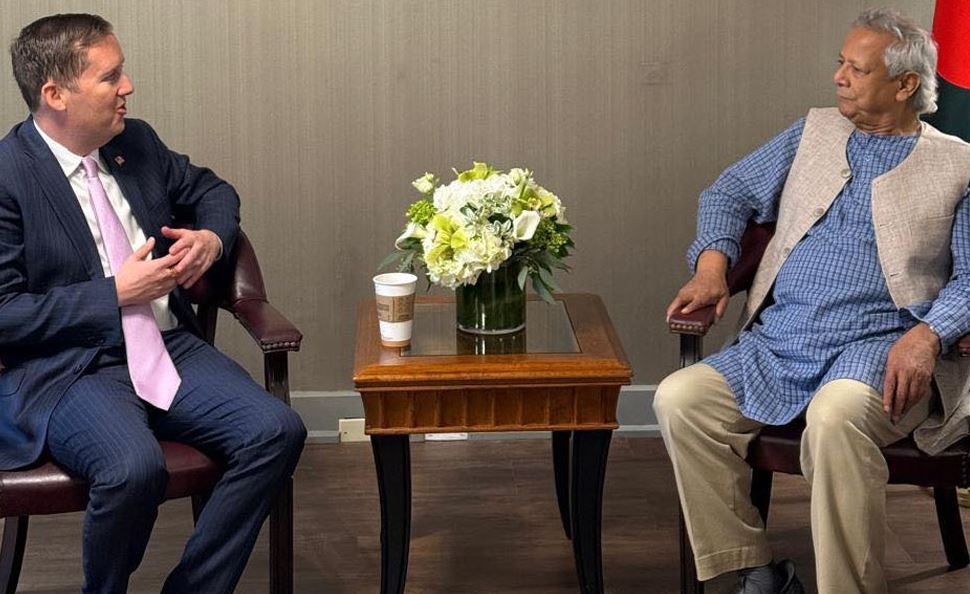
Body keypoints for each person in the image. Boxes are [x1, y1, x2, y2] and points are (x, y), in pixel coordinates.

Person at [654, 8, 970, 594]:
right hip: (781, 339)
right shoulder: (812, 132)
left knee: (834, 418)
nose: (838, 77)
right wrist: (712, 267)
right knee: (680, 399)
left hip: (882, 351)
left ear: (905, 85)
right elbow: (728, 191)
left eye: (857, 69)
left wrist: (928, 336)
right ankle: (756, 572)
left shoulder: (958, 163)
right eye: (840, 63)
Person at [0, 14, 306, 594]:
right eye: (110, 77)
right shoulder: (8, 175)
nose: (128, 86)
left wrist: (210, 239)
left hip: (167, 346)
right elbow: (5, 313)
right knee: (132, 469)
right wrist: (115, 293)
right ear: (55, 94)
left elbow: (214, 191)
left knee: (276, 430)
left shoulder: (134, 142)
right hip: (72, 369)